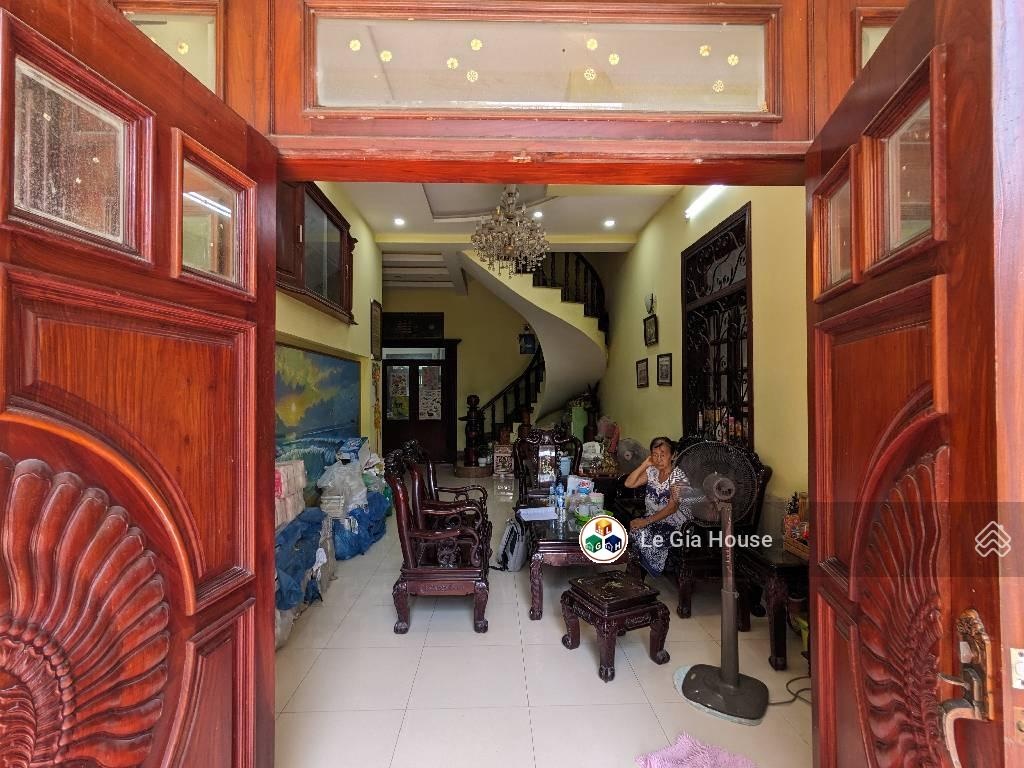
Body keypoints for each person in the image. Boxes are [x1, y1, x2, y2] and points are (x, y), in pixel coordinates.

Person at [622, 436, 692, 575]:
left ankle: (644, 571)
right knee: (634, 531)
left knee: (642, 535)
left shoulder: (677, 476)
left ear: (673, 456)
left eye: (663, 455)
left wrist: (645, 521)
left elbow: (672, 507)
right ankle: (637, 572)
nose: (659, 459)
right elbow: (629, 483)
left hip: (676, 524)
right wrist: (645, 464)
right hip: (654, 519)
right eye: (655, 455)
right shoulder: (652, 471)